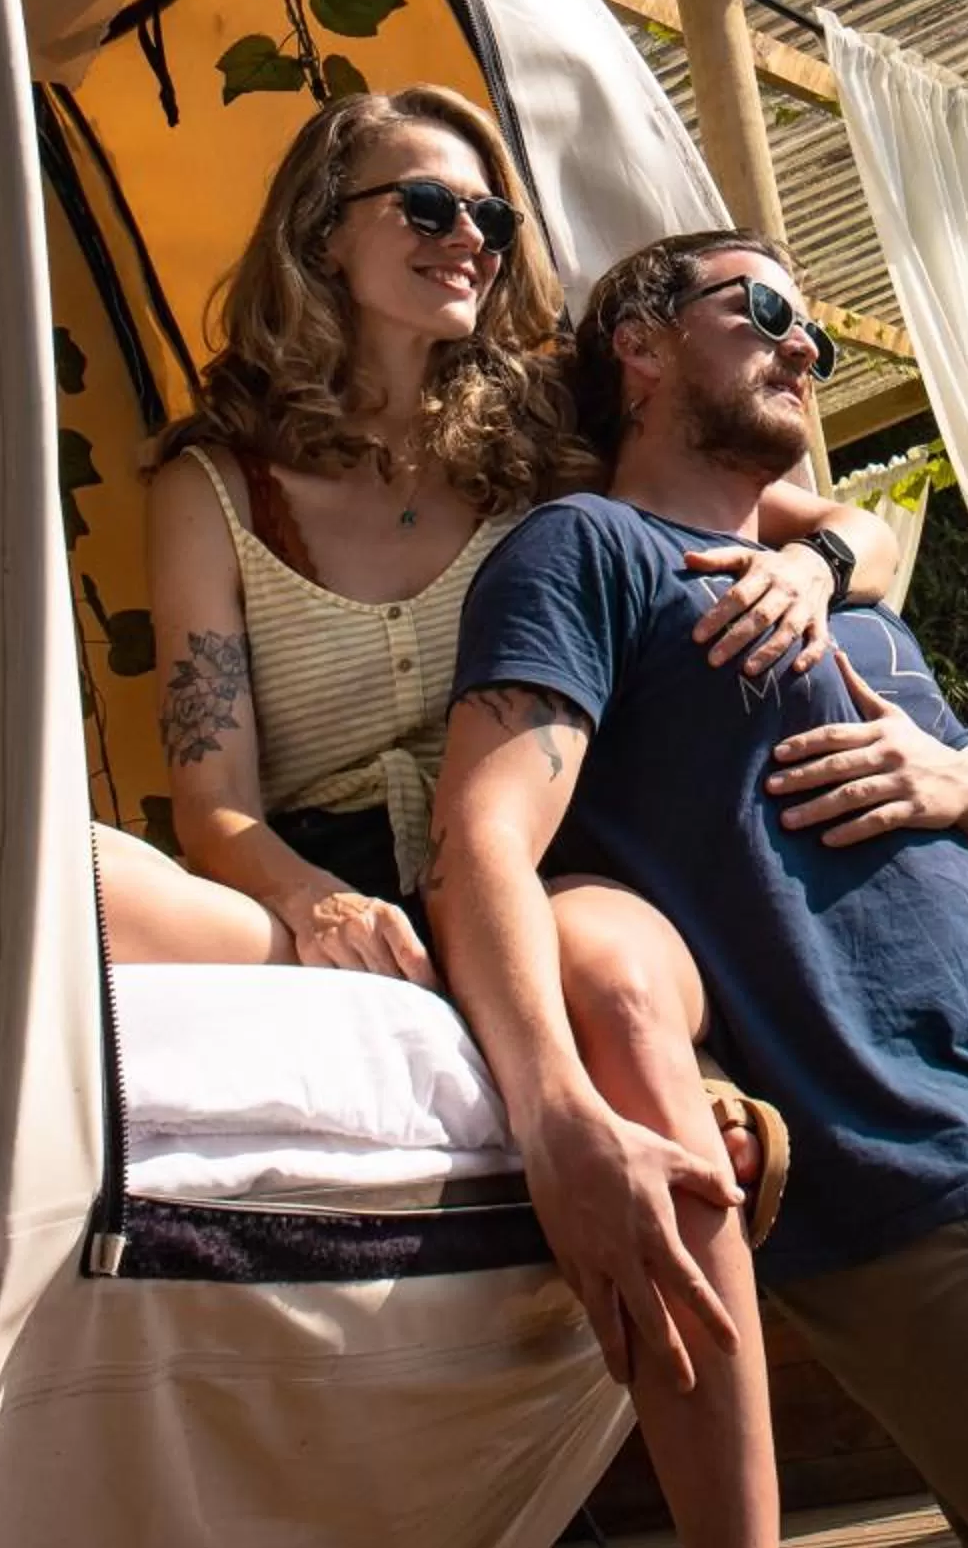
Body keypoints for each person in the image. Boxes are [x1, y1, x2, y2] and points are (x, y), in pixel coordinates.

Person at [426, 229, 968, 1548]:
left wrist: (966, 791)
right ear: (636, 343)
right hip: (896, 1164)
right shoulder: (591, 555)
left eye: (812, 327)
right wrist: (557, 1113)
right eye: (762, 311)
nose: (804, 345)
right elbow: (483, 841)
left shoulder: (861, 613)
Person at [97, 85, 892, 1002]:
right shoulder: (213, 489)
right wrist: (321, 910)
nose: (470, 238)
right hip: (310, 906)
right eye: (429, 206)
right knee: (74, 867)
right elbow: (215, 806)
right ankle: (390, 996)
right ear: (321, 235)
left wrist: (809, 572)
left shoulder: (549, 432)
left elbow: (855, 530)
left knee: (610, 949)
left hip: (534, 895)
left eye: (493, 218)